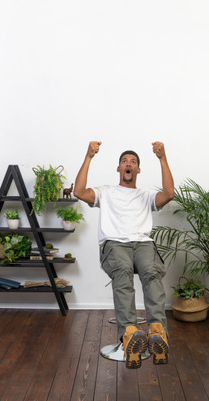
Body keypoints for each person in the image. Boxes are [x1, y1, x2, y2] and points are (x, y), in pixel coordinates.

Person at [74, 141, 174, 369]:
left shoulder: (146, 194)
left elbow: (169, 194)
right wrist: (88, 156)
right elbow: (79, 192)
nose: (128, 164)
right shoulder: (106, 192)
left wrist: (162, 158)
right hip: (115, 244)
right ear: (118, 169)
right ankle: (130, 334)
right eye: (124, 161)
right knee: (123, 274)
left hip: (143, 243)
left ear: (138, 170)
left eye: (133, 162)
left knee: (151, 273)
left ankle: (158, 333)